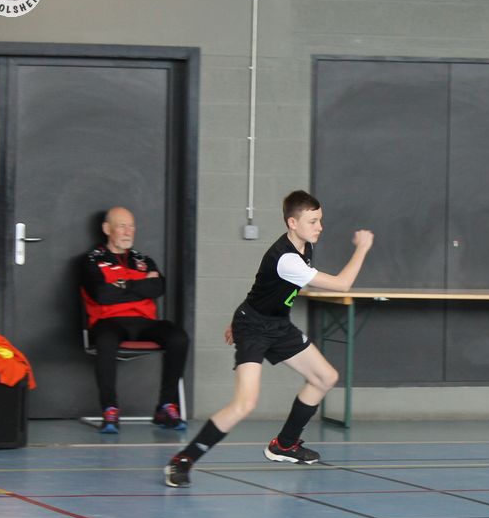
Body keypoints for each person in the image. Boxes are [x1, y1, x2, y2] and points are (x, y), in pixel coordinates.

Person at [164, 190, 373, 487]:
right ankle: (183, 460)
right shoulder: (287, 258)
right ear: (292, 223)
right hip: (253, 328)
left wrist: (239, 317)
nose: (320, 227)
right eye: (313, 221)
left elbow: (263, 287)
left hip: (277, 324)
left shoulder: (304, 246)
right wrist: (362, 248)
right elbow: (342, 285)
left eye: (320, 220)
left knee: (325, 377)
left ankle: (285, 445)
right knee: (245, 403)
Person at [80, 207, 190, 433]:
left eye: (131, 226)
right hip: (108, 322)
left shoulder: (144, 260)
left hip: (144, 322)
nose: (128, 231)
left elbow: (158, 287)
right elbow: (102, 294)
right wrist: (140, 285)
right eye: (122, 226)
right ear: (107, 229)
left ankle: (165, 407)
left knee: (178, 337)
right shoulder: (92, 260)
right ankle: (110, 409)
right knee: (106, 340)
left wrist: (120, 285)